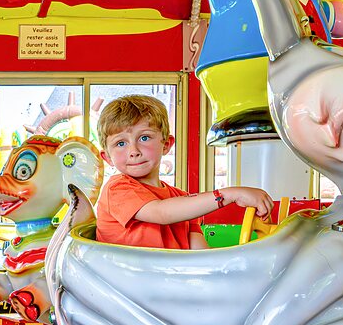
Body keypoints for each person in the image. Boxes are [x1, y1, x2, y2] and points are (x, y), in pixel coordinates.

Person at [95, 95, 272, 249]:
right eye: (120, 143)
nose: (134, 150)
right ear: (108, 157)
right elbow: (161, 213)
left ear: (166, 145)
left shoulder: (181, 200)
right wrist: (230, 194)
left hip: (167, 282)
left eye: (144, 138)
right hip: (128, 284)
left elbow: (200, 255)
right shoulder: (117, 189)